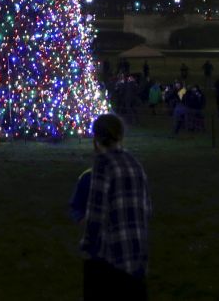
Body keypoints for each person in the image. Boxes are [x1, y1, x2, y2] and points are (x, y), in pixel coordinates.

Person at [80, 114, 149, 300]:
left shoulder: (103, 164)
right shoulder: (135, 163)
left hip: (113, 258)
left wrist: (87, 245)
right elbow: (146, 208)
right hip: (137, 254)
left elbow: (96, 213)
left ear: (97, 138)